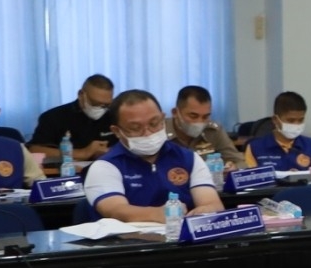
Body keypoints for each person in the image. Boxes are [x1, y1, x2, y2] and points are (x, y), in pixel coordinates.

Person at [86, 90, 225, 221]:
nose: (148, 133)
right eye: (135, 128)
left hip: (181, 234)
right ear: (117, 131)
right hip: (128, 237)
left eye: (154, 123)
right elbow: (115, 210)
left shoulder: (189, 158)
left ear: (163, 119)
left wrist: (205, 211)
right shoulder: (105, 166)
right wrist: (159, 214)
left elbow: (212, 203)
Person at [28, 74, 116, 163]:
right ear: (81, 95)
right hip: (66, 169)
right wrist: (83, 153)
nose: (100, 108)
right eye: (95, 103)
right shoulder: (54, 117)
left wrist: (109, 152)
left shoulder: (113, 116)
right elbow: (35, 150)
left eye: (106, 105)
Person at [243, 92, 311, 171]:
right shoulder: (255, 147)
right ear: (275, 120)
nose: (296, 124)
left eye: (301, 120)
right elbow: (251, 175)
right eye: (290, 120)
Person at [169, 85, 241, 165]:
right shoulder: (160, 130)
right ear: (175, 112)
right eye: (193, 116)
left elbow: (239, 161)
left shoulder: (213, 130)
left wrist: (233, 167)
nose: (200, 122)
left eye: (205, 117)